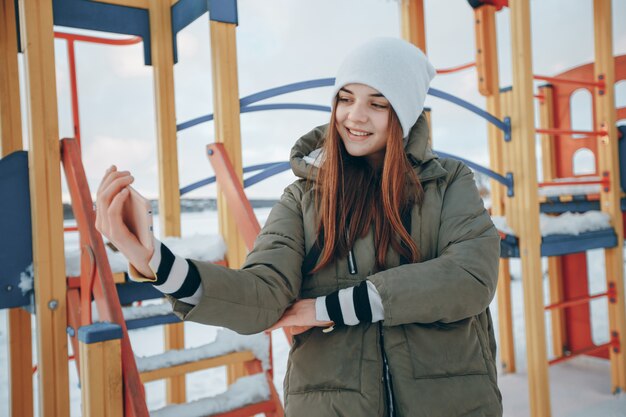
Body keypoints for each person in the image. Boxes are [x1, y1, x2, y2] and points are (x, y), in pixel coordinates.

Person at [96, 37, 503, 417]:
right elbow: (262, 293)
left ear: (405, 112)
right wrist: (155, 262)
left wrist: (330, 308)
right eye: (345, 99)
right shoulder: (303, 198)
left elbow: (469, 276)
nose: (355, 116)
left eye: (378, 104)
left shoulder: (448, 182)